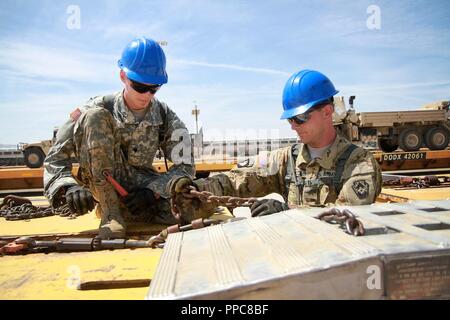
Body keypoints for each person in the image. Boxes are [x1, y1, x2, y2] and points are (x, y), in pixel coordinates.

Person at [169, 69, 382, 222]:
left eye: (299, 118)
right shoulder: (285, 160)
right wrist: (196, 188)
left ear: (326, 112)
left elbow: (349, 215)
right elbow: (239, 179)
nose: (293, 126)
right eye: (290, 120)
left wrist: (288, 211)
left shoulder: (359, 163)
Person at [44, 37, 195, 239]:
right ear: (123, 76)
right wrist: (68, 186)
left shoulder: (165, 115)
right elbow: (55, 159)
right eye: (140, 87)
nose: (147, 95)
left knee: (195, 206)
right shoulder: (95, 108)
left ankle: (131, 211)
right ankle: (111, 212)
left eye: (155, 87)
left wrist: (154, 192)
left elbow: (186, 165)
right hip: (104, 183)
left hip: (144, 189)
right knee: (95, 117)